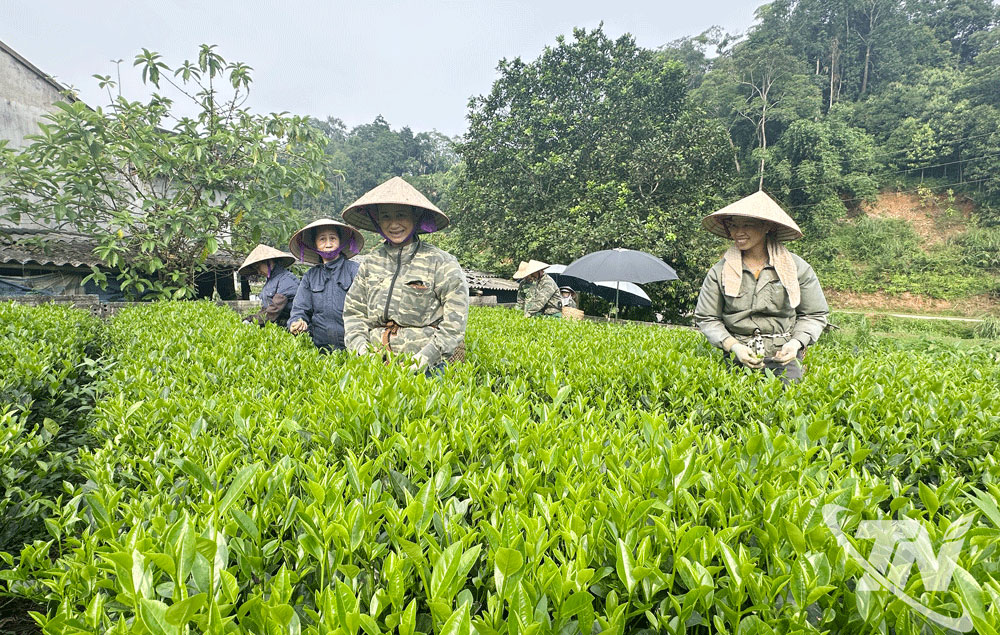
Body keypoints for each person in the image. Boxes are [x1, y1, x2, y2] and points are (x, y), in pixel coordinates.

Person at [694, 191, 828, 384]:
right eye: (733, 225)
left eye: (747, 224)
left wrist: (795, 343)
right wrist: (733, 346)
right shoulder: (720, 271)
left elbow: (814, 314)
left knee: (788, 406)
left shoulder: (797, 268)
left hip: (783, 356)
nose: (738, 232)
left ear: (766, 226)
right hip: (738, 355)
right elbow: (707, 317)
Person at [341, 176, 469, 373]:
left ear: (415, 217)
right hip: (376, 363)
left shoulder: (441, 262)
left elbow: (454, 323)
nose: (393, 224)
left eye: (401, 215)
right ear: (377, 220)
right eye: (385, 216)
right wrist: (361, 350)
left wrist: (424, 358)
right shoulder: (370, 263)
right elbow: (354, 313)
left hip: (429, 366)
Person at [287, 219, 365, 352]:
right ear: (315, 245)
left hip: (355, 348)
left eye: (333, 238)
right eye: (322, 239)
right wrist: (297, 322)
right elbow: (300, 308)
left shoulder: (356, 271)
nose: (328, 244)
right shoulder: (310, 277)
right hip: (322, 351)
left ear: (340, 241)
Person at [238, 244, 300, 327]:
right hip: (277, 326)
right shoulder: (271, 281)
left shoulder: (286, 280)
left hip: (291, 326)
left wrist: (253, 320)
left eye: (258, 267)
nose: (259, 272)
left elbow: (274, 309)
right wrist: (250, 318)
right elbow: (266, 308)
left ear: (269, 262)